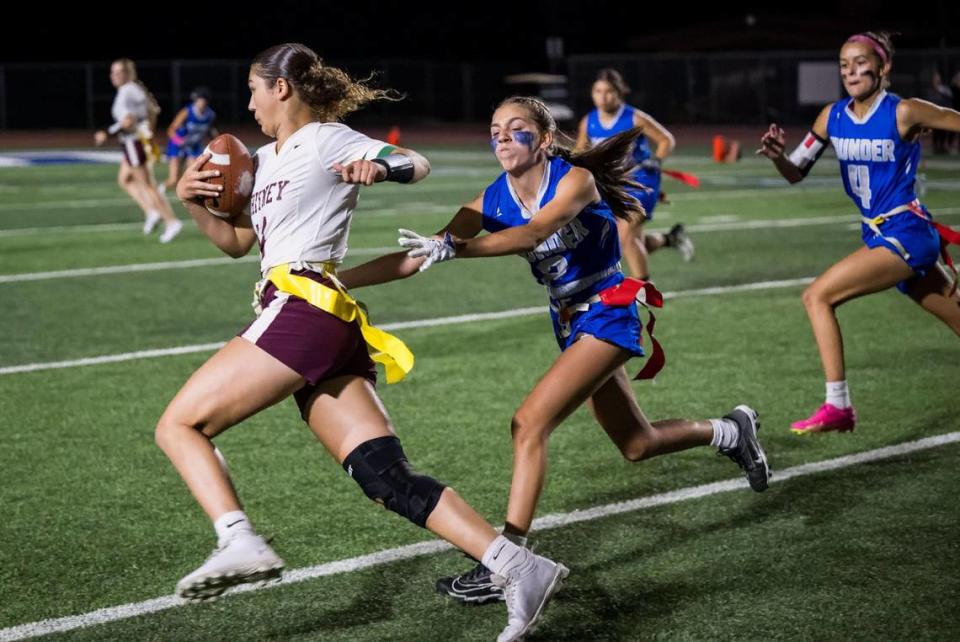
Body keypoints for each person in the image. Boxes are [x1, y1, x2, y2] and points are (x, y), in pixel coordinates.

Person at [157, 43, 566, 642]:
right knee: (384, 476)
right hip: (321, 318)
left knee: (179, 425)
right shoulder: (267, 159)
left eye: (253, 90)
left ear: (282, 89)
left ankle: (237, 538)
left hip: (305, 305)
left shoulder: (326, 139)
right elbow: (236, 242)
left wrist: (382, 167)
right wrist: (191, 200)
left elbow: (414, 161)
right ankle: (518, 566)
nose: (248, 103)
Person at [338, 95, 770, 605]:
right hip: (569, 322)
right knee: (637, 443)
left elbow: (534, 233)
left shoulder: (573, 180)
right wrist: (334, 282)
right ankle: (730, 430)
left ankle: (509, 560)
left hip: (609, 310)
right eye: (494, 128)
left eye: (515, 128)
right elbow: (418, 256)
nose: (500, 136)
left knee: (529, 423)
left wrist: (455, 247)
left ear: (544, 139)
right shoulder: (489, 200)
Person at [757, 31, 960, 435]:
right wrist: (779, 158)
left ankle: (838, 407)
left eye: (860, 62)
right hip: (880, 234)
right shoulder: (831, 117)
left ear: (884, 67)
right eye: (843, 64)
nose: (851, 71)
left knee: (817, 296)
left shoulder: (904, 111)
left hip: (907, 231)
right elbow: (796, 171)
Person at [574, 68, 693, 279]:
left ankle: (643, 291)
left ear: (619, 93)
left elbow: (666, 140)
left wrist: (656, 160)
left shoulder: (634, 118)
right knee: (630, 240)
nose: (602, 96)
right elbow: (580, 153)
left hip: (642, 182)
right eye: (598, 91)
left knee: (625, 236)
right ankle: (668, 239)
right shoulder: (589, 121)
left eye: (608, 91)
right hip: (613, 185)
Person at [93, 58, 183, 242]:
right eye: (112, 72)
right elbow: (153, 109)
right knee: (124, 179)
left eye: (118, 72)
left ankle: (171, 221)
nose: (113, 76)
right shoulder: (134, 89)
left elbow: (128, 121)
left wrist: (106, 133)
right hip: (135, 141)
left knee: (148, 185)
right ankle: (151, 212)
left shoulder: (127, 91)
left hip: (133, 142)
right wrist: (148, 130)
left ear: (127, 73)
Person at [160, 86, 218, 196]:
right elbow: (171, 130)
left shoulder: (210, 115)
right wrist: (179, 141)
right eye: (198, 100)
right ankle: (160, 189)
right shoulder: (188, 111)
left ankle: (193, 195)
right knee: (173, 179)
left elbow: (211, 131)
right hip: (177, 146)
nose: (199, 103)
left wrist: (218, 141)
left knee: (195, 174)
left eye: (202, 100)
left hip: (193, 146)